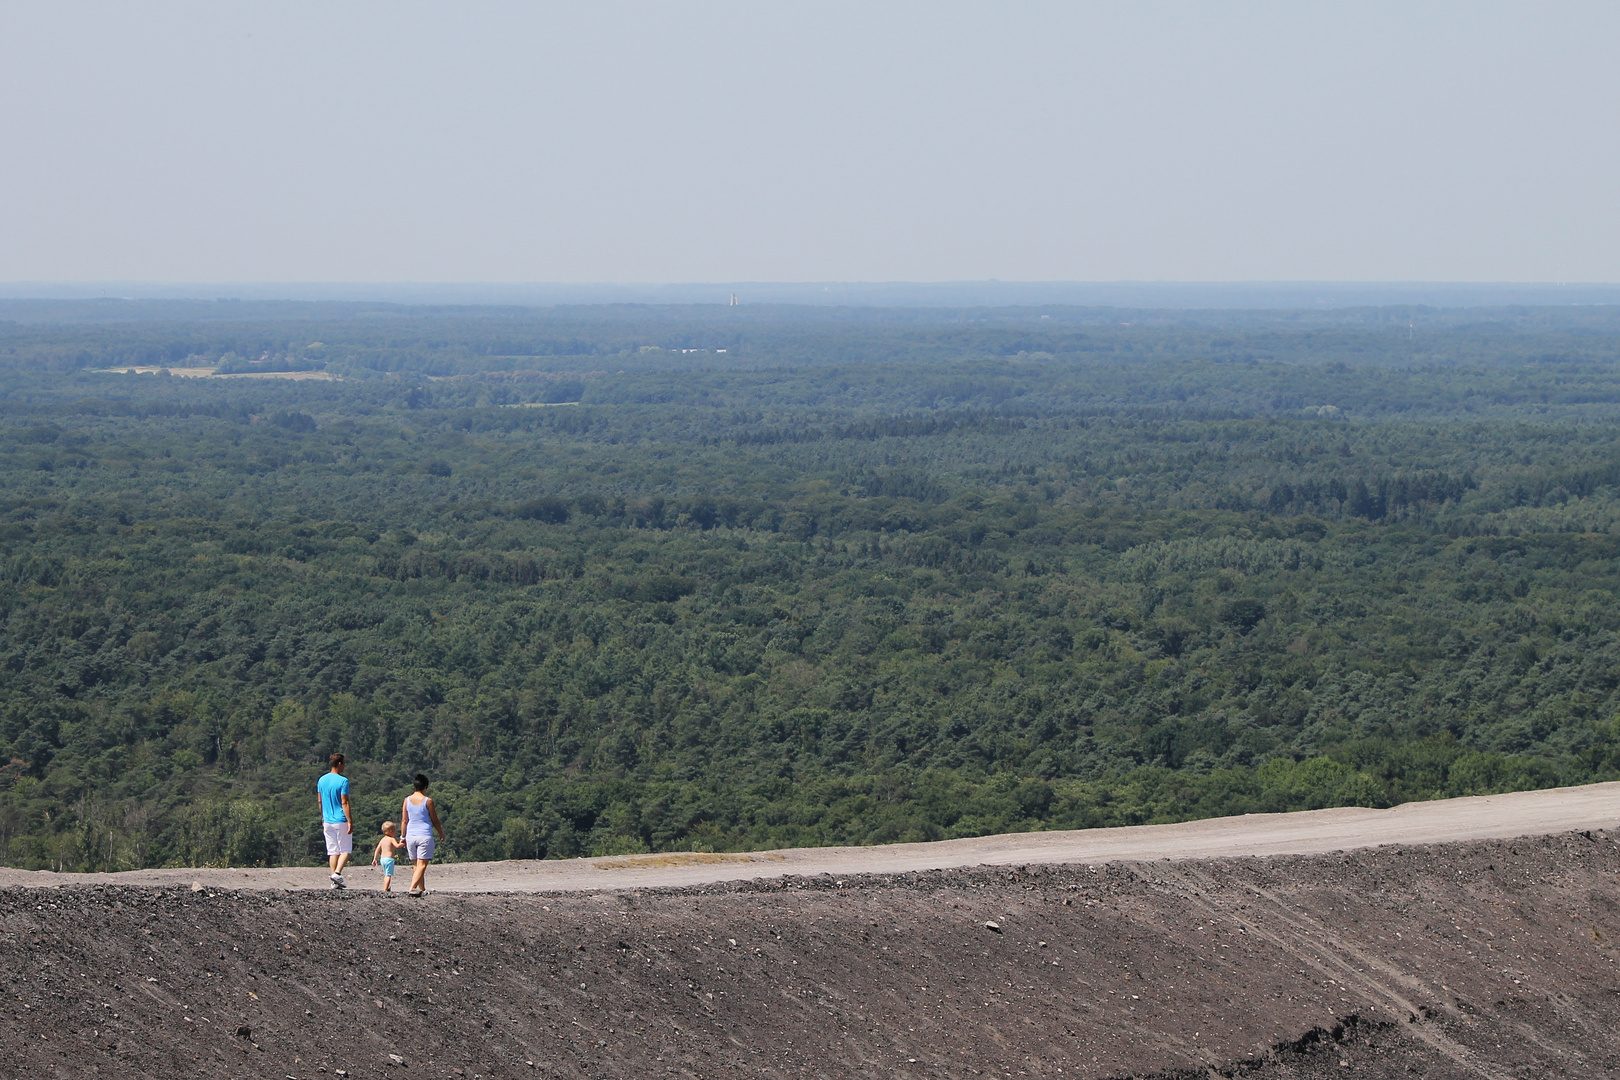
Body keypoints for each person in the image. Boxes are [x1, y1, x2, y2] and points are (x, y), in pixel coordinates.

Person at [400, 773, 444, 897]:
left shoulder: (406, 800)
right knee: (422, 864)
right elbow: (435, 819)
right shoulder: (428, 801)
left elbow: (404, 820)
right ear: (425, 787)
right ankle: (412, 888)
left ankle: (422, 889)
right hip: (424, 835)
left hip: (410, 836)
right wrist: (441, 833)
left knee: (416, 865)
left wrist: (402, 837)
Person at [317, 753, 353, 889]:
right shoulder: (343, 781)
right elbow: (344, 802)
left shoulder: (321, 780)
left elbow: (320, 801)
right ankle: (337, 873)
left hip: (327, 820)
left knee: (332, 851)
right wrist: (350, 821)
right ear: (339, 764)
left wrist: (323, 816)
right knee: (345, 849)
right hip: (340, 819)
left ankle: (334, 879)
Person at [371, 821, 405, 893]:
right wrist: (403, 843)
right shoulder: (391, 839)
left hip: (382, 859)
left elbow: (377, 849)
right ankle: (385, 889)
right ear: (391, 831)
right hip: (389, 859)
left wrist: (375, 859)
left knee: (385, 874)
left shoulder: (383, 839)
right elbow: (397, 846)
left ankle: (385, 887)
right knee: (388, 875)